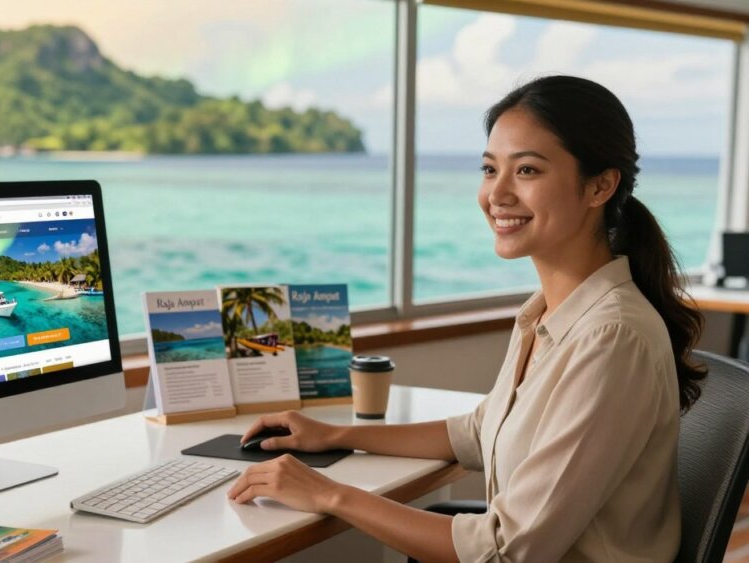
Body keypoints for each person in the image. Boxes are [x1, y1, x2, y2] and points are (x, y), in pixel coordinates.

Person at [226, 75, 708, 562]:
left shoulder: (612, 338)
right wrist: (333, 436)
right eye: (489, 169)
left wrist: (331, 495)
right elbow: (480, 432)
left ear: (600, 186)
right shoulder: (545, 314)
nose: (497, 194)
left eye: (527, 170)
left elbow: (505, 551)